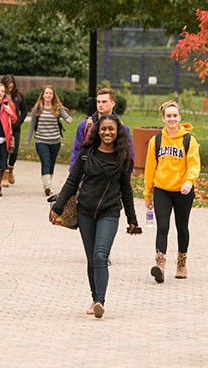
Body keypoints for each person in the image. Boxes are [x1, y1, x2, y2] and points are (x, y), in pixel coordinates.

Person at [49, 114, 141, 319]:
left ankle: (100, 301)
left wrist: (132, 220)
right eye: (104, 129)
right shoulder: (86, 153)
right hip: (85, 212)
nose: (107, 132)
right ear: (98, 131)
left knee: (101, 255)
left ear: (118, 132)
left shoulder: (123, 157)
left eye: (111, 129)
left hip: (109, 212)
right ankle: (94, 299)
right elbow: (72, 182)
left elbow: (126, 191)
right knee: (92, 258)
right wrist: (58, 206)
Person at [144, 100, 200, 282]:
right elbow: (150, 168)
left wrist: (189, 182)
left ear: (180, 117)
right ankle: (160, 264)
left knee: (182, 227)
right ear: (163, 118)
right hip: (162, 190)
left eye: (175, 115)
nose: (172, 119)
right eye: (168, 116)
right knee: (162, 227)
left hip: (183, 191)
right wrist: (147, 193)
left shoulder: (188, 140)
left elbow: (194, 164)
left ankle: (181, 263)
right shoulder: (156, 140)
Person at [69, 87, 133, 169]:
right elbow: (76, 151)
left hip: (112, 175)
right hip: (88, 176)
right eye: (98, 102)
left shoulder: (122, 128)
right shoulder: (85, 125)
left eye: (104, 102)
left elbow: (129, 154)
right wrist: (76, 176)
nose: (100, 105)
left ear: (113, 103)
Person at [26, 85, 73, 196]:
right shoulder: (38, 108)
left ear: (53, 95)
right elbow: (32, 125)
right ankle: (47, 186)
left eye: (50, 93)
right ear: (43, 95)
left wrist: (68, 119)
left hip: (55, 141)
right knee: (46, 162)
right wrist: (28, 140)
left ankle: (48, 182)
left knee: (51, 163)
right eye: (46, 93)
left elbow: (66, 117)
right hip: (41, 141)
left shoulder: (57, 108)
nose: (48, 95)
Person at [1, 74, 27, 187]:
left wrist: (19, 121)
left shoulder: (17, 96)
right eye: (8, 87)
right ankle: (4, 175)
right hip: (3, 128)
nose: (9, 89)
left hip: (15, 128)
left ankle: (11, 168)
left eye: (11, 87)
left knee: (14, 152)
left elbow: (24, 110)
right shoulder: (0, 95)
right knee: (4, 151)